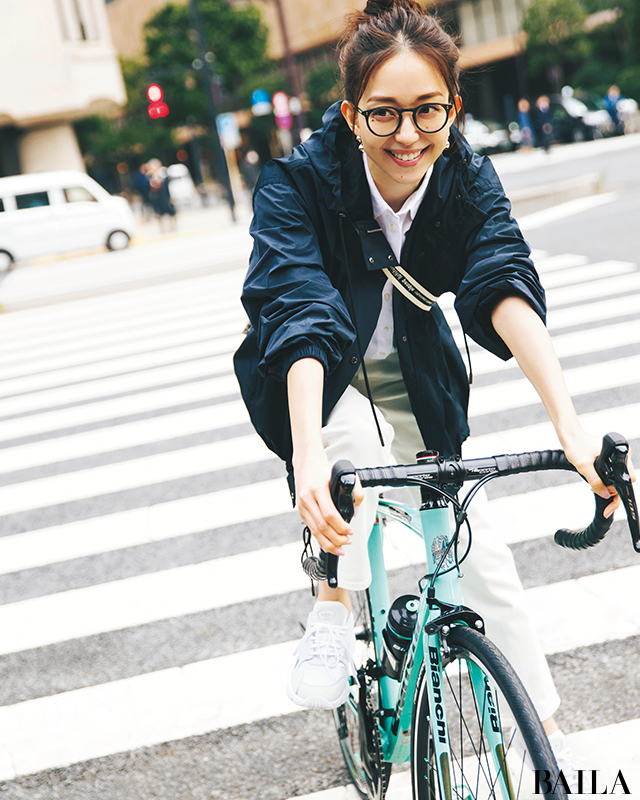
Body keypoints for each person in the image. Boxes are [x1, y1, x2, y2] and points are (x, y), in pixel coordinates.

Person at [234, 0, 634, 779]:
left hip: (416, 373)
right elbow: (300, 312)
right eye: (384, 114)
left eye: (427, 111)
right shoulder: (297, 184)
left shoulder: (464, 177)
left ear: (454, 106)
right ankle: (332, 603)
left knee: (480, 550)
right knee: (348, 455)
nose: (407, 135)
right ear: (352, 114)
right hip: (319, 376)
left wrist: (571, 426)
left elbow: (502, 279)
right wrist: (308, 459)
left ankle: (542, 736)